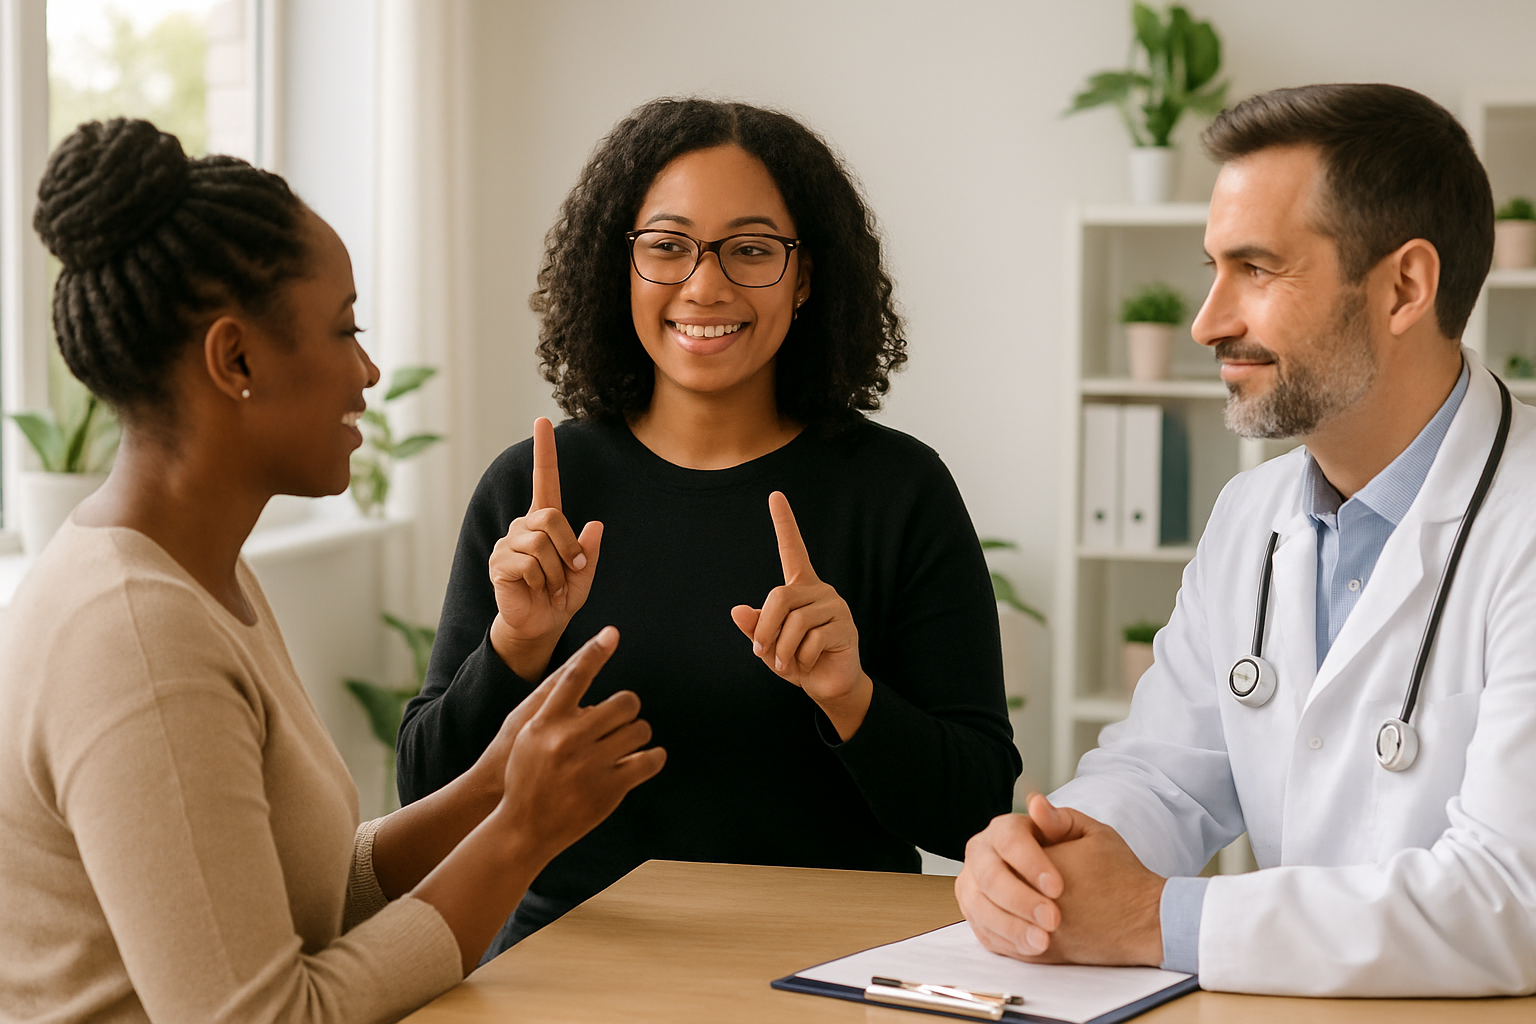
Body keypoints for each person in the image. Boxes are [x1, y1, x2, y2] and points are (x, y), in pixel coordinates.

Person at [0, 118, 665, 1024]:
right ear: (234, 358)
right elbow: (262, 1016)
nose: (368, 371)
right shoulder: (133, 637)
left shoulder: (194, 579)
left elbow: (300, 895)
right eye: (343, 329)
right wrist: (519, 833)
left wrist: (489, 789)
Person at [397, 97, 1021, 959]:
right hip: (571, 962)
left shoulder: (898, 490)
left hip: (833, 966)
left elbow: (975, 811)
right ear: (621, 268)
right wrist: (515, 649)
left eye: (753, 250)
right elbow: (426, 801)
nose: (705, 285)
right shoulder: (536, 491)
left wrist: (850, 697)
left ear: (805, 278)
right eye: (667, 246)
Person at [957, 83, 1536, 998]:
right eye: (1212, 267)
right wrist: (1046, 857)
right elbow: (1165, 776)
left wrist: (1155, 918)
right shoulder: (1251, 517)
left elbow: (1512, 900)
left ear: (1404, 287)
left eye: (1258, 270)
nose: (1207, 320)